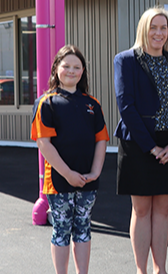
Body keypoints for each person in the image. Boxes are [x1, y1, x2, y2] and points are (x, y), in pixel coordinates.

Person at [114, 6, 168, 274]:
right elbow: (126, 107)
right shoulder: (126, 60)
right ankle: (142, 270)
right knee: (141, 210)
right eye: (153, 27)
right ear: (143, 29)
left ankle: (161, 269)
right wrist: (151, 147)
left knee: (163, 210)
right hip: (138, 144)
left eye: (163, 27)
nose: (159, 33)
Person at [31, 45, 109, 274]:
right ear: (56, 68)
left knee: (83, 227)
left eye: (77, 67)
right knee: (62, 230)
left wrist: (95, 172)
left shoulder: (92, 104)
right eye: (66, 66)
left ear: (83, 71)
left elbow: (101, 140)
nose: (71, 71)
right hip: (59, 181)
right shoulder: (47, 103)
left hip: (87, 180)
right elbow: (44, 144)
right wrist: (68, 174)